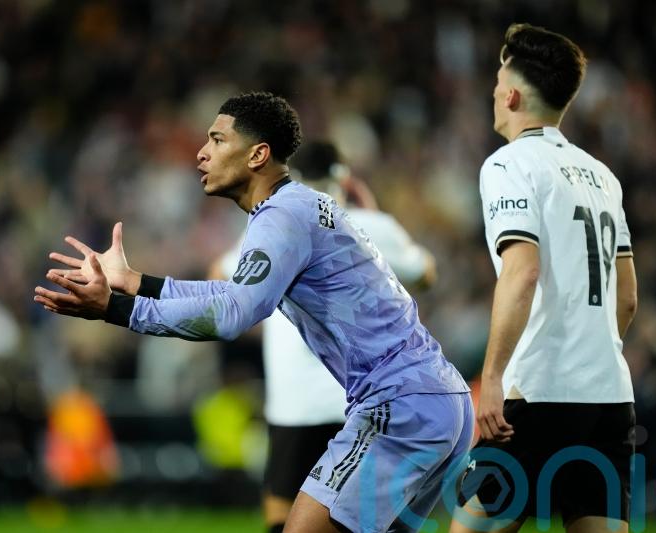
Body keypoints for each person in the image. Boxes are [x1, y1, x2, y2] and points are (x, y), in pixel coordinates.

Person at [34, 92, 472, 533]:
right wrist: (135, 283)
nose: (202, 152)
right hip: (437, 398)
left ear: (258, 154)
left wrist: (116, 309)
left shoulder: (281, 216)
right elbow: (231, 292)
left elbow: (230, 316)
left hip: (397, 404)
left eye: (218, 140)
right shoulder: (295, 207)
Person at [450, 24, 638, 533]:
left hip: (538, 393)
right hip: (609, 396)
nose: (492, 91)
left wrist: (490, 378)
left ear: (511, 94)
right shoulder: (603, 176)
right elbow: (627, 299)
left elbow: (522, 269)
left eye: (497, 81)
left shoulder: (509, 165)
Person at [209, 140, 438, 533]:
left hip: (293, 404)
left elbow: (219, 275)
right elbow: (426, 273)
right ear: (344, 179)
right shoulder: (373, 227)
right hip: (362, 400)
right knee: (368, 520)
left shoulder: (275, 223)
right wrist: (377, 219)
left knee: (282, 519)